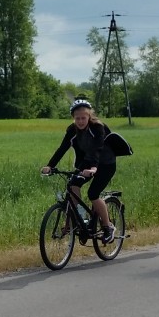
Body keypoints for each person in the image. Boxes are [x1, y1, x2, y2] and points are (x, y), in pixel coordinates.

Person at [41, 98, 118, 242]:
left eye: (83, 118)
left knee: (93, 194)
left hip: (106, 163)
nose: (81, 121)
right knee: (73, 185)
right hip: (87, 162)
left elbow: (97, 149)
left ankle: (108, 227)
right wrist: (50, 166)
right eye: (77, 118)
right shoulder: (72, 130)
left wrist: (94, 167)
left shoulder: (97, 127)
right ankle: (74, 222)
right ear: (73, 118)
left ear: (89, 116)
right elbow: (62, 148)